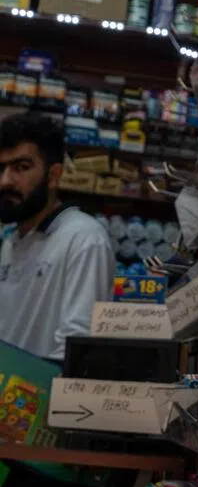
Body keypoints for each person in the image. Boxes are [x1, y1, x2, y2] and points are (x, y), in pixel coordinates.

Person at [0, 112, 114, 361]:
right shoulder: (10, 241)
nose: (5, 181)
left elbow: (76, 347)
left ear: (53, 175)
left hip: (39, 396)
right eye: (1, 168)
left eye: (21, 167)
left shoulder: (84, 238)